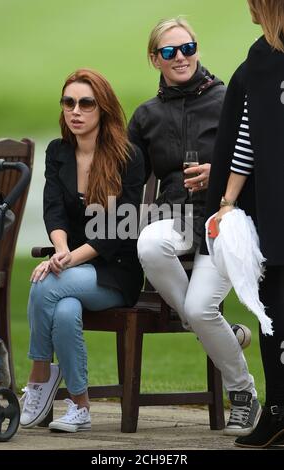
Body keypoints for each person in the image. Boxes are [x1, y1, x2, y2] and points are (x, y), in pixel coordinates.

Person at [128, 16, 259, 436]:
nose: (180, 57)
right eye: (169, 51)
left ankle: (242, 392)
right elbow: (131, 181)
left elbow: (257, 162)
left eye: (187, 48)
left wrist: (217, 176)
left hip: (226, 221)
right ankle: (214, 331)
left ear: (196, 49)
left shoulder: (228, 98)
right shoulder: (146, 115)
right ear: (155, 59)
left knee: (203, 308)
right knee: (148, 243)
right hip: (176, 221)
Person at [20, 68, 145, 433]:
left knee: (44, 286)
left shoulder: (128, 157)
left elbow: (121, 228)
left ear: (102, 109)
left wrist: (68, 259)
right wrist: (60, 250)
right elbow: (53, 209)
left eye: (85, 103)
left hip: (116, 270)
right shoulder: (58, 152)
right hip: (72, 268)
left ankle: (39, 378)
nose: (75, 110)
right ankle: (80, 406)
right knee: (63, 310)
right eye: (68, 102)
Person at [202, 0, 284, 448]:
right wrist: (229, 202)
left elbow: (247, 140)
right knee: (274, 314)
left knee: (275, 314)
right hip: (276, 213)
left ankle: (278, 412)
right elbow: (251, 137)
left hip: (277, 213)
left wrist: (228, 200)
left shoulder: (263, 62)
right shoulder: (260, 62)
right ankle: (278, 412)